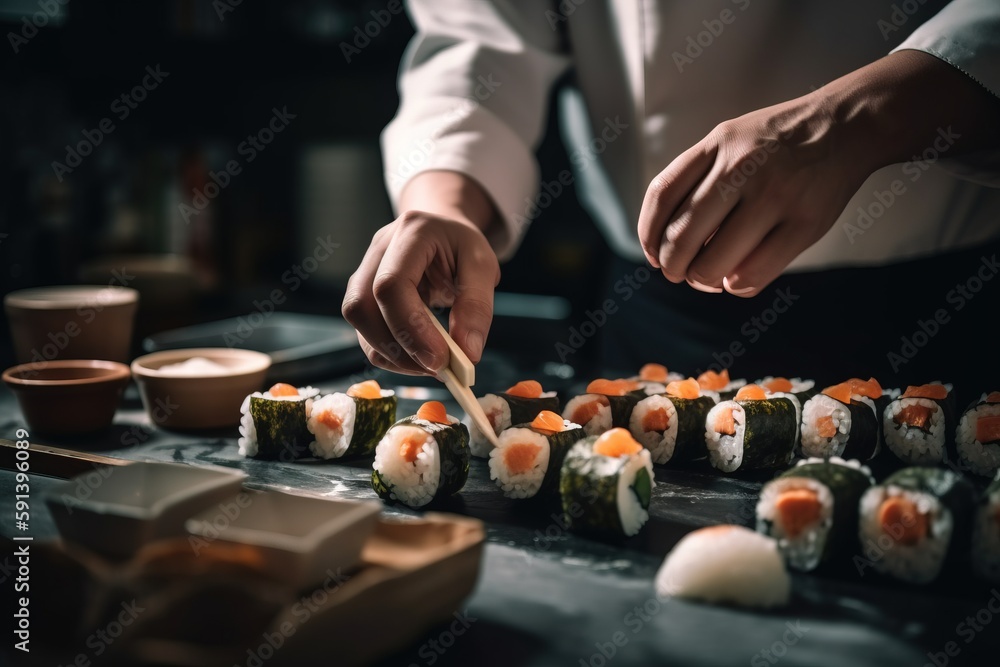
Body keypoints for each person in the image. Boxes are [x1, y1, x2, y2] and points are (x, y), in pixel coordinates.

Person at [342, 0, 1000, 393]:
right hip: (659, 315)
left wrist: (859, 119)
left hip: (944, 305)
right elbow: (479, 38)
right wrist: (442, 202)